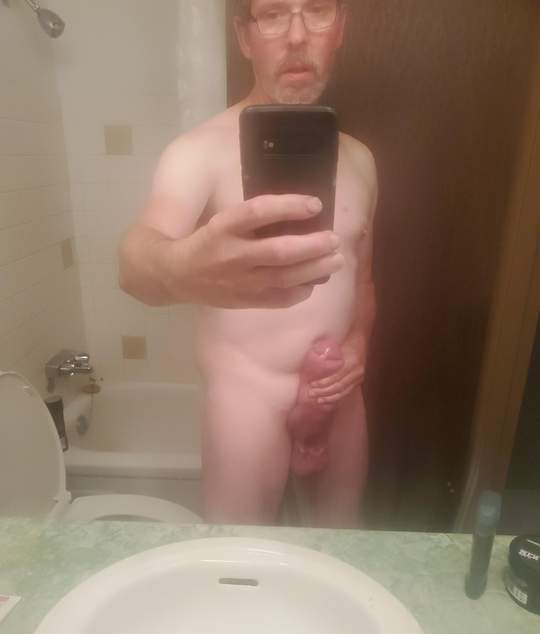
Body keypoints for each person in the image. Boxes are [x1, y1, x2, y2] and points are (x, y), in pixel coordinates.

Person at [118, 0, 378, 528]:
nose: (297, 35)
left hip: (337, 391)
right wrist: (184, 268)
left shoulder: (361, 161)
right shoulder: (198, 152)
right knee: (240, 558)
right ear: (244, 37)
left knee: (341, 547)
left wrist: (358, 344)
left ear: (341, 27)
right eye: (274, 14)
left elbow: (365, 281)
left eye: (317, 11)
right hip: (247, 397)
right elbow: (134, 264)